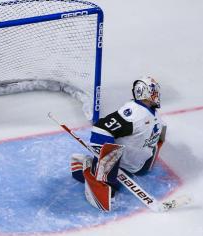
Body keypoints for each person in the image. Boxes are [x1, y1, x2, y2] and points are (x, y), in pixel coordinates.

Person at [70, 76, 166, 211]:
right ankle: (90, 169)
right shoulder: (133, 113)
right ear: (145, 92)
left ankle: (103, 167)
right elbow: (101, 129)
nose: (157, 94)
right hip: (123, 163)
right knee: (112, 183)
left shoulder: (153, 113)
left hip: (137, 165)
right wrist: (106, 160)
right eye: (154, 91)